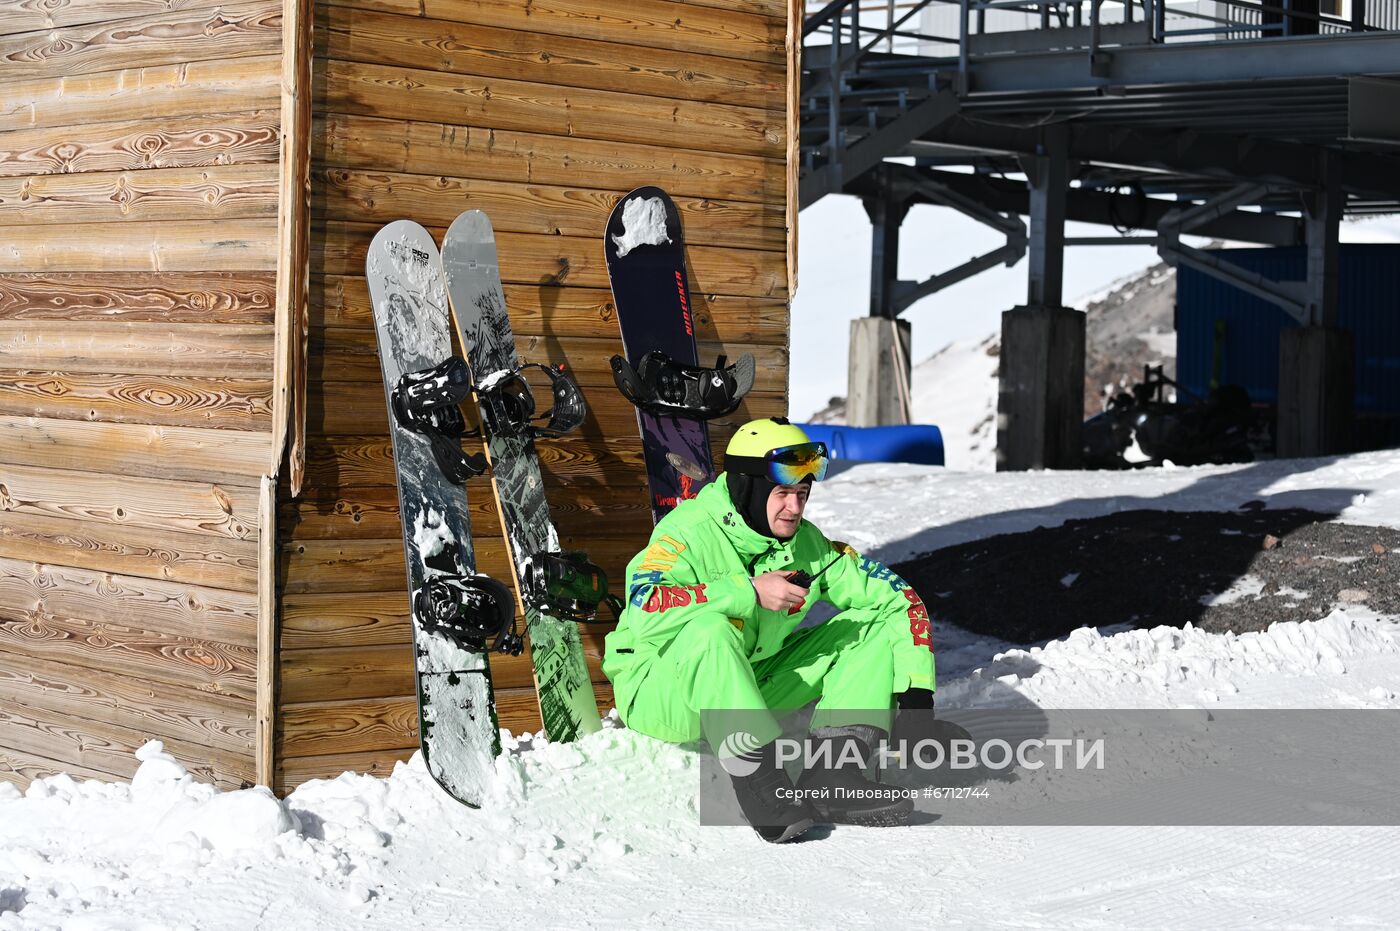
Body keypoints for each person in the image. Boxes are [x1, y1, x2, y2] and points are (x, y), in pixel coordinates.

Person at [602, 417, 951, 843]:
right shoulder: (686, 532)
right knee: (709, 629)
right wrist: (747, 591)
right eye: (783, 493)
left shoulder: (806, 544)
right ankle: (760, 783)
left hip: (748, 679)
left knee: (869, 625)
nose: (795, 507)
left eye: (802, 494)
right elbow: (645, 605)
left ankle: (835, 773)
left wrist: (917, 701)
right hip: (663, 694)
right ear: (747, 488)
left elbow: (896, 597)